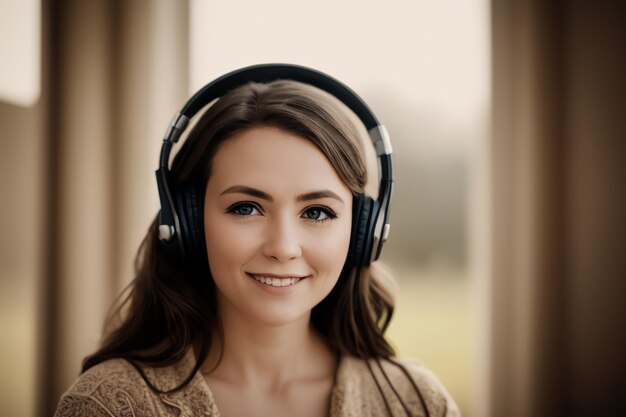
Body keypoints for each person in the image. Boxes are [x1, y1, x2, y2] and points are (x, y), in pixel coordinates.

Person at [55, 65, 459, 417]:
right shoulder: (105, 405)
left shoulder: (418, 403)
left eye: (317, 212)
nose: (283, 247)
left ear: (361, 233)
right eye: (246, 208)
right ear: (186, 223)